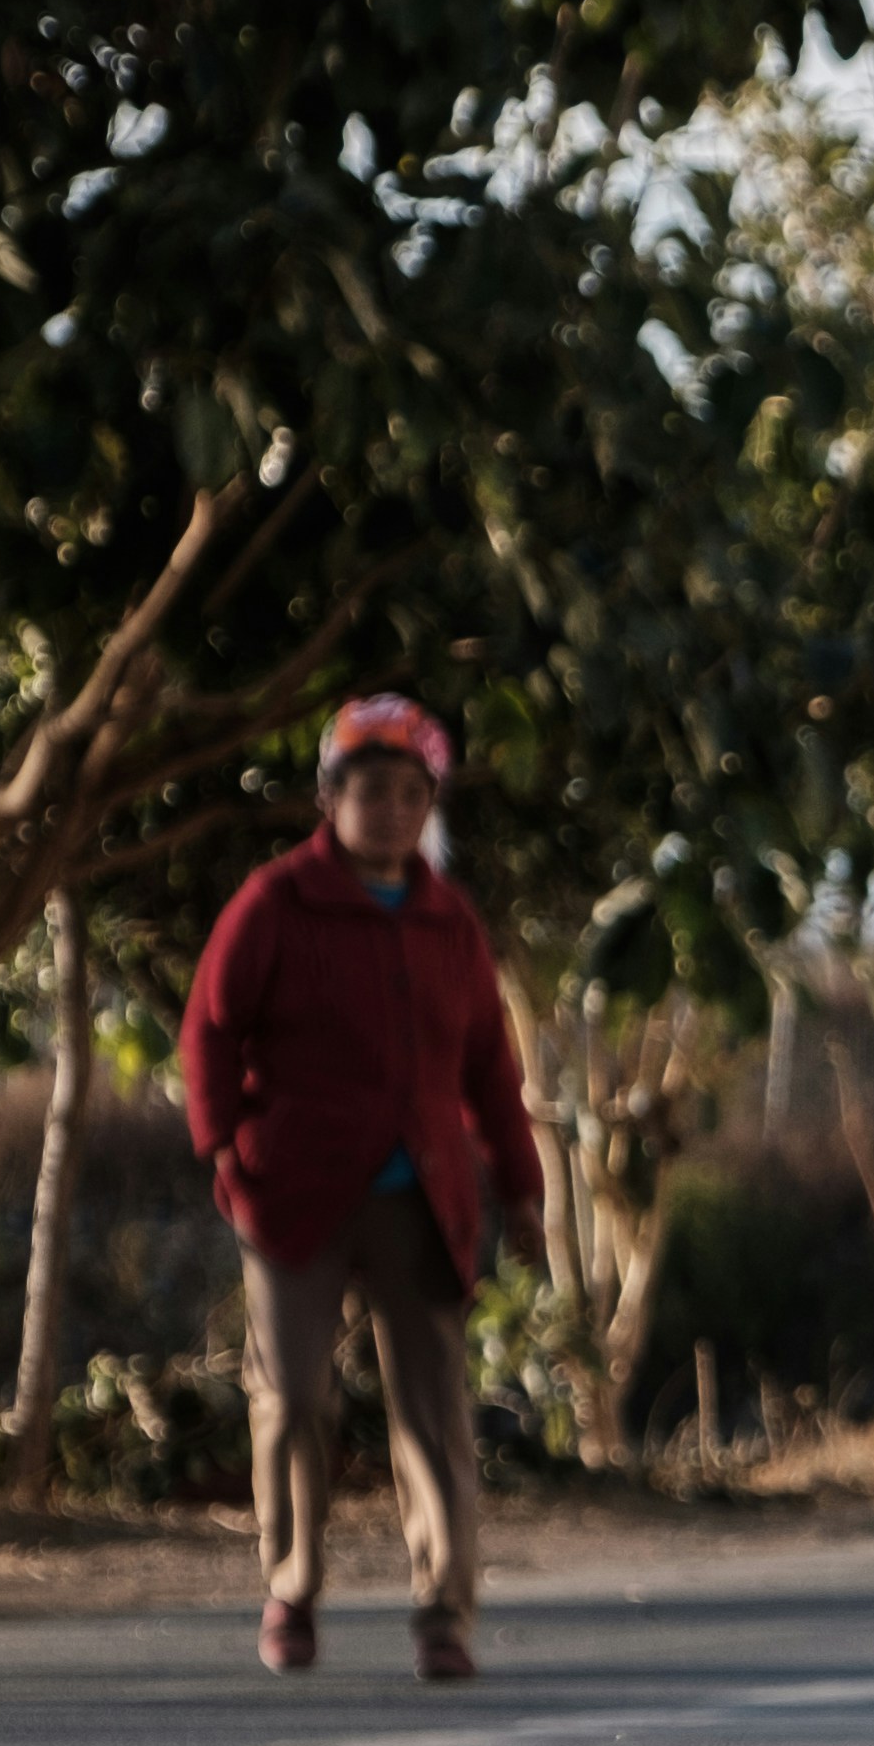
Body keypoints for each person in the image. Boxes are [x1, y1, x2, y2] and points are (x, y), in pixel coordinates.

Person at [180, 696, 540, 1683]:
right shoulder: (276, 900)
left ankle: (443, 1614)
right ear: (330, 797)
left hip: (420, 1198)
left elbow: (488, 1068)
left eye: (410, 795)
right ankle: (292, 1587)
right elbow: (209, 1028)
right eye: (370, 791)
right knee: (294, 1397)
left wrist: (522, 1184)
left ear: (431, 806)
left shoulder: (447, 921)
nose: (390, 811)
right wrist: (225, 1147)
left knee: (433, 1412)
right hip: (292, 1188)